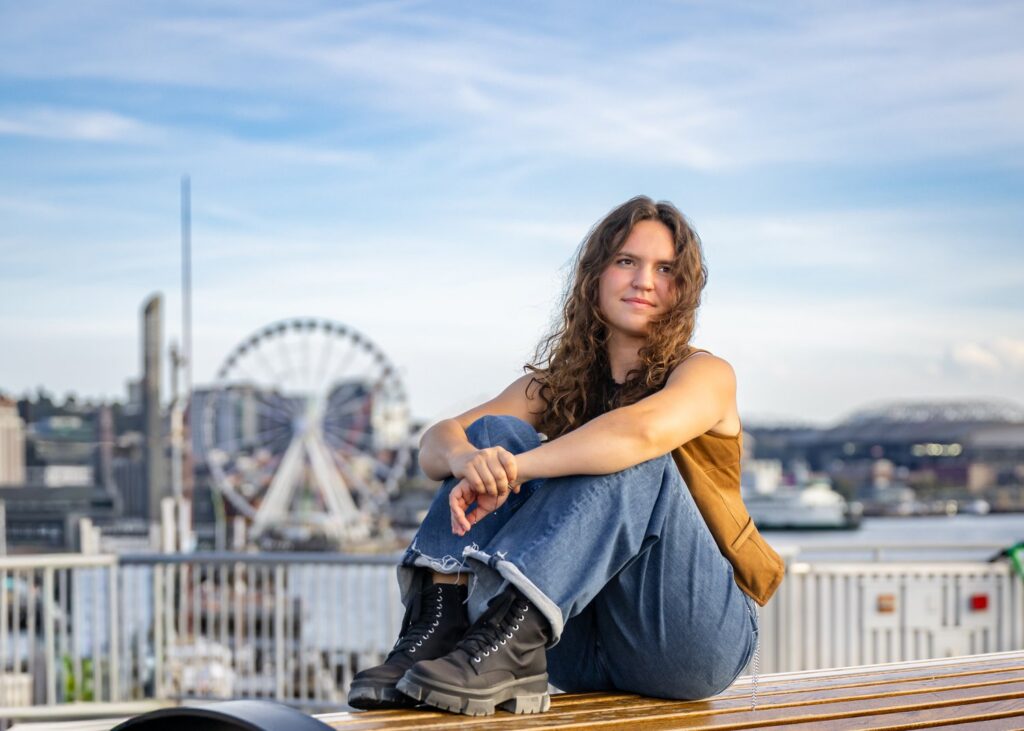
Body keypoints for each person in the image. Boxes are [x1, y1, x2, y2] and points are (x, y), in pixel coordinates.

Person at [348, 196, 784, 716]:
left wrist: (514, 470)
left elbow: (639, 434)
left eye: (664, 269)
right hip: (570, 644)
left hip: (687, 640)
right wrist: (469, 458)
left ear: (682, 289)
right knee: (492, 431)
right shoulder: (554, 386)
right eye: (626, 261)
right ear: (594, 276)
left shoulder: (705, 374)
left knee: (632, 457)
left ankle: (506, 640)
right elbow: (435, 443)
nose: (644, 281)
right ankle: (440, 634)